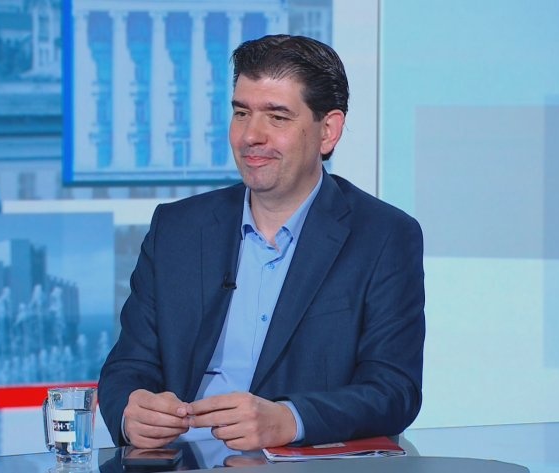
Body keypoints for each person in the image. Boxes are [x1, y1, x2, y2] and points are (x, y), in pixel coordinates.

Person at [98, 34, 425, 452]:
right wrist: (132, 413)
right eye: (241, 113)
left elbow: (394, 390)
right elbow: (127, 366)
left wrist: (290, 419)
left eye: (277, 117)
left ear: (328, 131)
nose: (251, 135)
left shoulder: (383, 236)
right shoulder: (177, 228)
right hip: (182, 458)